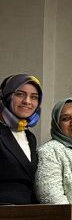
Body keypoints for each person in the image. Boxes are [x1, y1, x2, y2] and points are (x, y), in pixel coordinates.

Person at [0, 74, 42, 205]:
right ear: (6, 96)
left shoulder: (30, 137)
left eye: (34, 97)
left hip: (28, 213)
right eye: (19, 94)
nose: (27, 101)